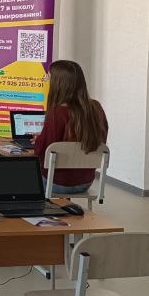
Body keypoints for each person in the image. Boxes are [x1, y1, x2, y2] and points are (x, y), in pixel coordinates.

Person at [34, 59, 108, 195]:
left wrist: (39, 139)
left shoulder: (57, 113)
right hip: (85, 183)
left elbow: (42, 152)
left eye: (49, 77)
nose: (47, 80)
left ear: (58, 83)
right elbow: (102, 140)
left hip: (56, 183)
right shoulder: (97, 108)